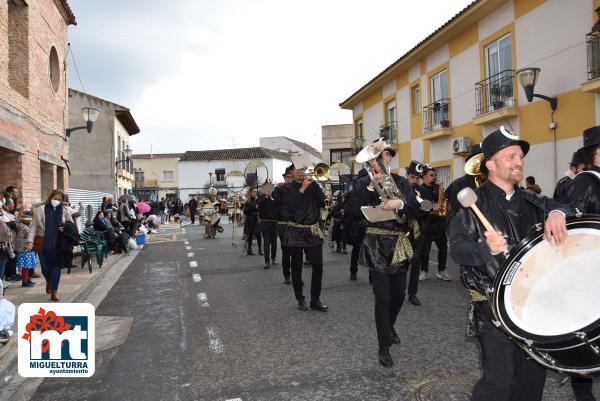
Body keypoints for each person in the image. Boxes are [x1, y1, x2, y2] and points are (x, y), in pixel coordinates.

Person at [448, 127, 574, 401]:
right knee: (499, 382)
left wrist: (556, 213)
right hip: (493, 308)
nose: (519, 162)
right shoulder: (472, 205)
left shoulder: (534, 201)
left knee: (532, 383)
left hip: (535, 307)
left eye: (520, 156)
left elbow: (571, 209)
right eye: (511, 157)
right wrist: (483, 249)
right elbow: (458, 250)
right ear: (490, 164)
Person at [350, 141, 420, 367]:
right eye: (371, 161)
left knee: (399, 295)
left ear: (388, 158)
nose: (375, 164)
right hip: (375, 244)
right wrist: (371, 188)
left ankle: (389, 327)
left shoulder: (401, 182)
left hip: (398, 242)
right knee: (383, 297)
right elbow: (352, 211)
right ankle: (383, 346)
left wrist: (399, 202)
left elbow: (414, 209)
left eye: (379, 158)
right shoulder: (363, 184)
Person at [565, 126, 600, 401]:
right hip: (589, 271)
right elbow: (575, 228)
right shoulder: (586, 181)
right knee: (586, 338)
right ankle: (583, 394)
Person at [280, 159, 328, 312]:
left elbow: (322, 203)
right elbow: (289, 208)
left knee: (318, 265)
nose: (301, 171)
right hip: (295, 230)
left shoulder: (312, 185)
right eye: (298, 169)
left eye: (303, 169)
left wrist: (315, 185)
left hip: (312, 230)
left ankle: (315, 299)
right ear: (292, 172)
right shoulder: (286, 189)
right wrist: (303, 188)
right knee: (296, 267)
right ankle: (300, 298)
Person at [27, 189, 75, 302]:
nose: (57, 201)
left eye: (59, 199)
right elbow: (33, 227)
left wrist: (65, 227)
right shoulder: (40, 210)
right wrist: (30, 241)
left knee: (56, 267)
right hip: (42, 242)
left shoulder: (64, 210)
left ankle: (54, 291)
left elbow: (71, 224)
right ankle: (49, 280)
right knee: (44, 267)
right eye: (55, 198)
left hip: (58, 243)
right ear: (50, 197)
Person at [418, 165, 450, 281]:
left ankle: (442, 271)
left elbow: (444, 201)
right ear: (424, 176)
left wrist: (444, 205)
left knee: (443, 249)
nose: (434, 177)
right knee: (425, 251)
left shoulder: (438, 187)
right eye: (431, 175)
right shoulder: (420, 189)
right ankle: (424, 271)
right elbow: (420, 206)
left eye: (434, 175)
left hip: (440, 223)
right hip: (427, 224)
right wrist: (432, 207)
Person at [405, 160, 426, 306]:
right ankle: (398, 290)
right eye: (412, 177)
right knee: (401, 264)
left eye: (417, 178)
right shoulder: (400, 188)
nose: (415, 180)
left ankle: (413, 293)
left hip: (418, 230)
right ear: (407, 175)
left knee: (416, 262)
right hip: (403, 230)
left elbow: (425, 209)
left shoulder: (421, 190)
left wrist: (428, 208)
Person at [343, 168, 369, 281]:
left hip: (360, 225)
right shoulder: (353, 194)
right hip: (360, 225)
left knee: (359, 250)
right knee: (367, 250)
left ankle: (354, 272)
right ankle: (357, 272)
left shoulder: (352, 193)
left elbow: (347, 210)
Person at [273, 166, 294, 284]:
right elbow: (276, 199)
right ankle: (287, 275)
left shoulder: (298, 189)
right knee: (286, 250)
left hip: (296, 224)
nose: (289, 179)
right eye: (287, 177)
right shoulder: (279, 190)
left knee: (296, 251)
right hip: (283, 224)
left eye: (291, 177)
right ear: (284, 178)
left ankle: (296, 276)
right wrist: (282, 188)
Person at [256, 183, 279, 269]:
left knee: (274, 243)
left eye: (270, 188)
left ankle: (273, 258)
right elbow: (258, 205)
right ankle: (267, 261)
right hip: (265, 223)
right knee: (266, 243)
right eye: (267, 189)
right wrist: (266, 197)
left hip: (275, 223)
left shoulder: (276, 197)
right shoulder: (261, 198)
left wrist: (272, 197)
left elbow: (278, 205)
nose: (269, 190)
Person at [243, 188, 261, 255]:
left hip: (257, 219)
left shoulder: (258, 200)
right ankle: (249, 249)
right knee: (250, 235)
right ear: (250, 193)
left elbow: (260, 208)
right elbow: (246, 211)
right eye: (253, 192)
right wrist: (254, 207)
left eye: (256, 192)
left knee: (258, 233)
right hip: (250, 219)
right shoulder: (248, 201)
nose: (255, 193)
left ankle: (260, 249)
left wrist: (257, 207)